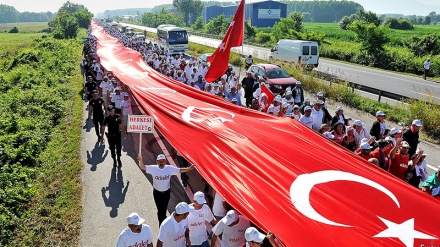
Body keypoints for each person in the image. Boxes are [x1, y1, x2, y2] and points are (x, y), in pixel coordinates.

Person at [138, 154, 195, 226]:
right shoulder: (153, 168)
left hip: (166, 192)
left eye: (163, 161)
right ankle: (161, 224)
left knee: (164, 208)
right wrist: (140, 161)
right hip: (157, 193)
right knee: (160, 209)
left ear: (165, 161)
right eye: (160, 161)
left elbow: (179, 170)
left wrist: (188, 169)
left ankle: (163, 221)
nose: (161, 162)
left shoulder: (169, 169)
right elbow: (142, 167)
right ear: (157, 162)